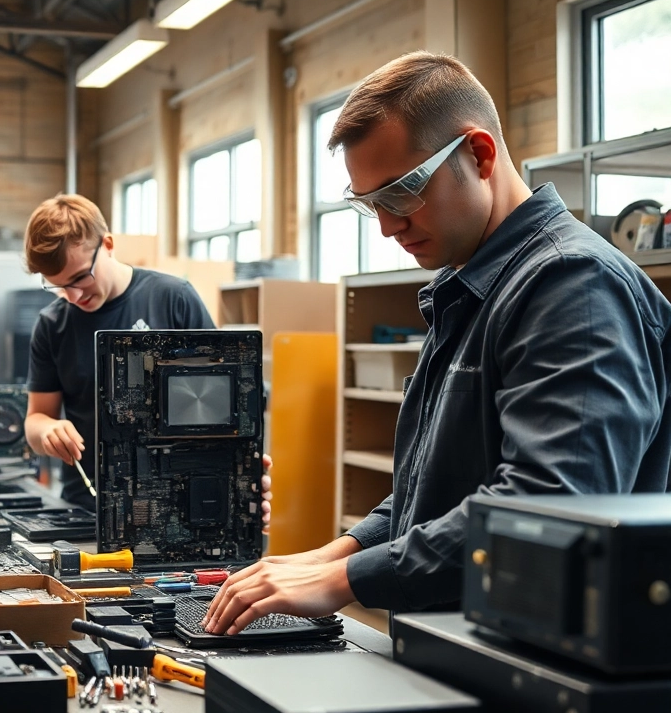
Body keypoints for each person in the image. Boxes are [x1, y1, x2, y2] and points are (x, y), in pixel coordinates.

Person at [204, 52, 671, 636]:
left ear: (479, 154)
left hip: (538, 662)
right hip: (464, 647)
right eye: (370, 202)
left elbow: (551, 506)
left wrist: (345, 581)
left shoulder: (572, 286)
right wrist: (335, 553)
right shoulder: (469, 287)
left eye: (401, 193)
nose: (387, 225)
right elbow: (438, 487)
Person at [21, 194, 272, 517]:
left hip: (182, 501)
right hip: (88, 508)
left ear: (107, 245)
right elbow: (36, 417)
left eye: (81, 277)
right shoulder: (52, 325)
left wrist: (241, 477)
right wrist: (46, 431)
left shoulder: (173, 299)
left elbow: (229, 399)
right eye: (58, 287)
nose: (74, 296)